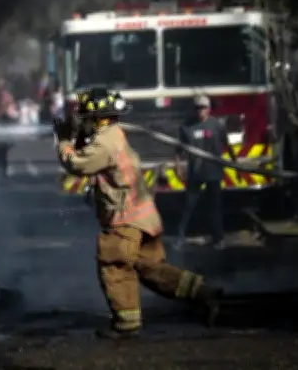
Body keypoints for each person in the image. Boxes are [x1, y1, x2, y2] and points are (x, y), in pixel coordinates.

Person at [54, 87, 223, 339]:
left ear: (98, 117)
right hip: (142, 216)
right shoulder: (113, 135)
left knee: (115, 264)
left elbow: (77, 164)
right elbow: (90, 154)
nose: (82, 122)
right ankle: (203, 292)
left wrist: (65, 141)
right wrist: (78, 137)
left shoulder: (105, 143)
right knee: (150, 267)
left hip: (124, 220)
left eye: (85, 117)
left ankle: (126, 323)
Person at [174, 95, 236, 250]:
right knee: (189, 205)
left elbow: (226, 142)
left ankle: (218, 239)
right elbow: (178, 150)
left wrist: (234, 160)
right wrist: (178, 167)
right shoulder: (187, 126)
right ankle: (180, 238)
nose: (200, 111)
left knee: (215, 207)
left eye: (203, 107)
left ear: (208, 109)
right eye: (197, 108)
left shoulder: (216, 125)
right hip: (196, 172)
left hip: (213, 171)